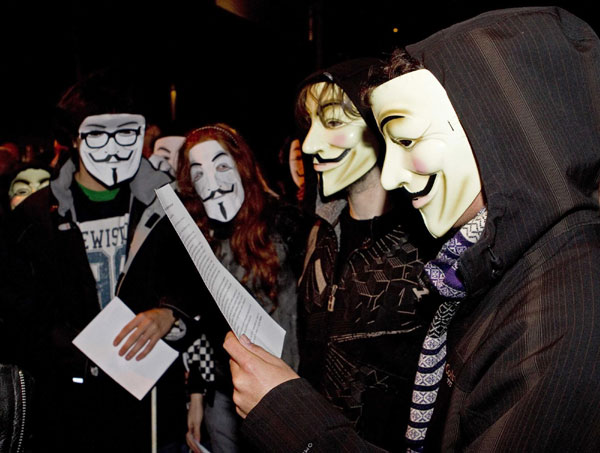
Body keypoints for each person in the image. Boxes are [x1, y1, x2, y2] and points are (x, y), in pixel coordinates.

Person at [227, 6, 600, 452]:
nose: (390, 176)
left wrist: (293, 422)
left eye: (406, 139)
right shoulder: (479, 267)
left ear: (495, 128)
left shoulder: (564, 310)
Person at [226, 58, 436, 451]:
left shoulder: (428, 247)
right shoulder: (319, 236)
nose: (309, 144)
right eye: (308, 125)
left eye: (334, 122)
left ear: (380, 127)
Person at [2, 70, 195, 453]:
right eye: (97, 134)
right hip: (68, 412)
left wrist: (170, 314)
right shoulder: (35, 218)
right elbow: (16, 315)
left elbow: (199, 283)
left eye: (126, 133)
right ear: (74, 139)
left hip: (152, 407)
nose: (114, 146)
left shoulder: (167, 206)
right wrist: (72, 353)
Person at [175, 123, 300, 453]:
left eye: (221, 166)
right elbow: (202, 326)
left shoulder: (287, 223)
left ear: (242, 167)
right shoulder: (201, 241)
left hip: (291, 397)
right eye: (199, 173)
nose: (213, 184)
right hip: (226, 399)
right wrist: (198, 395)